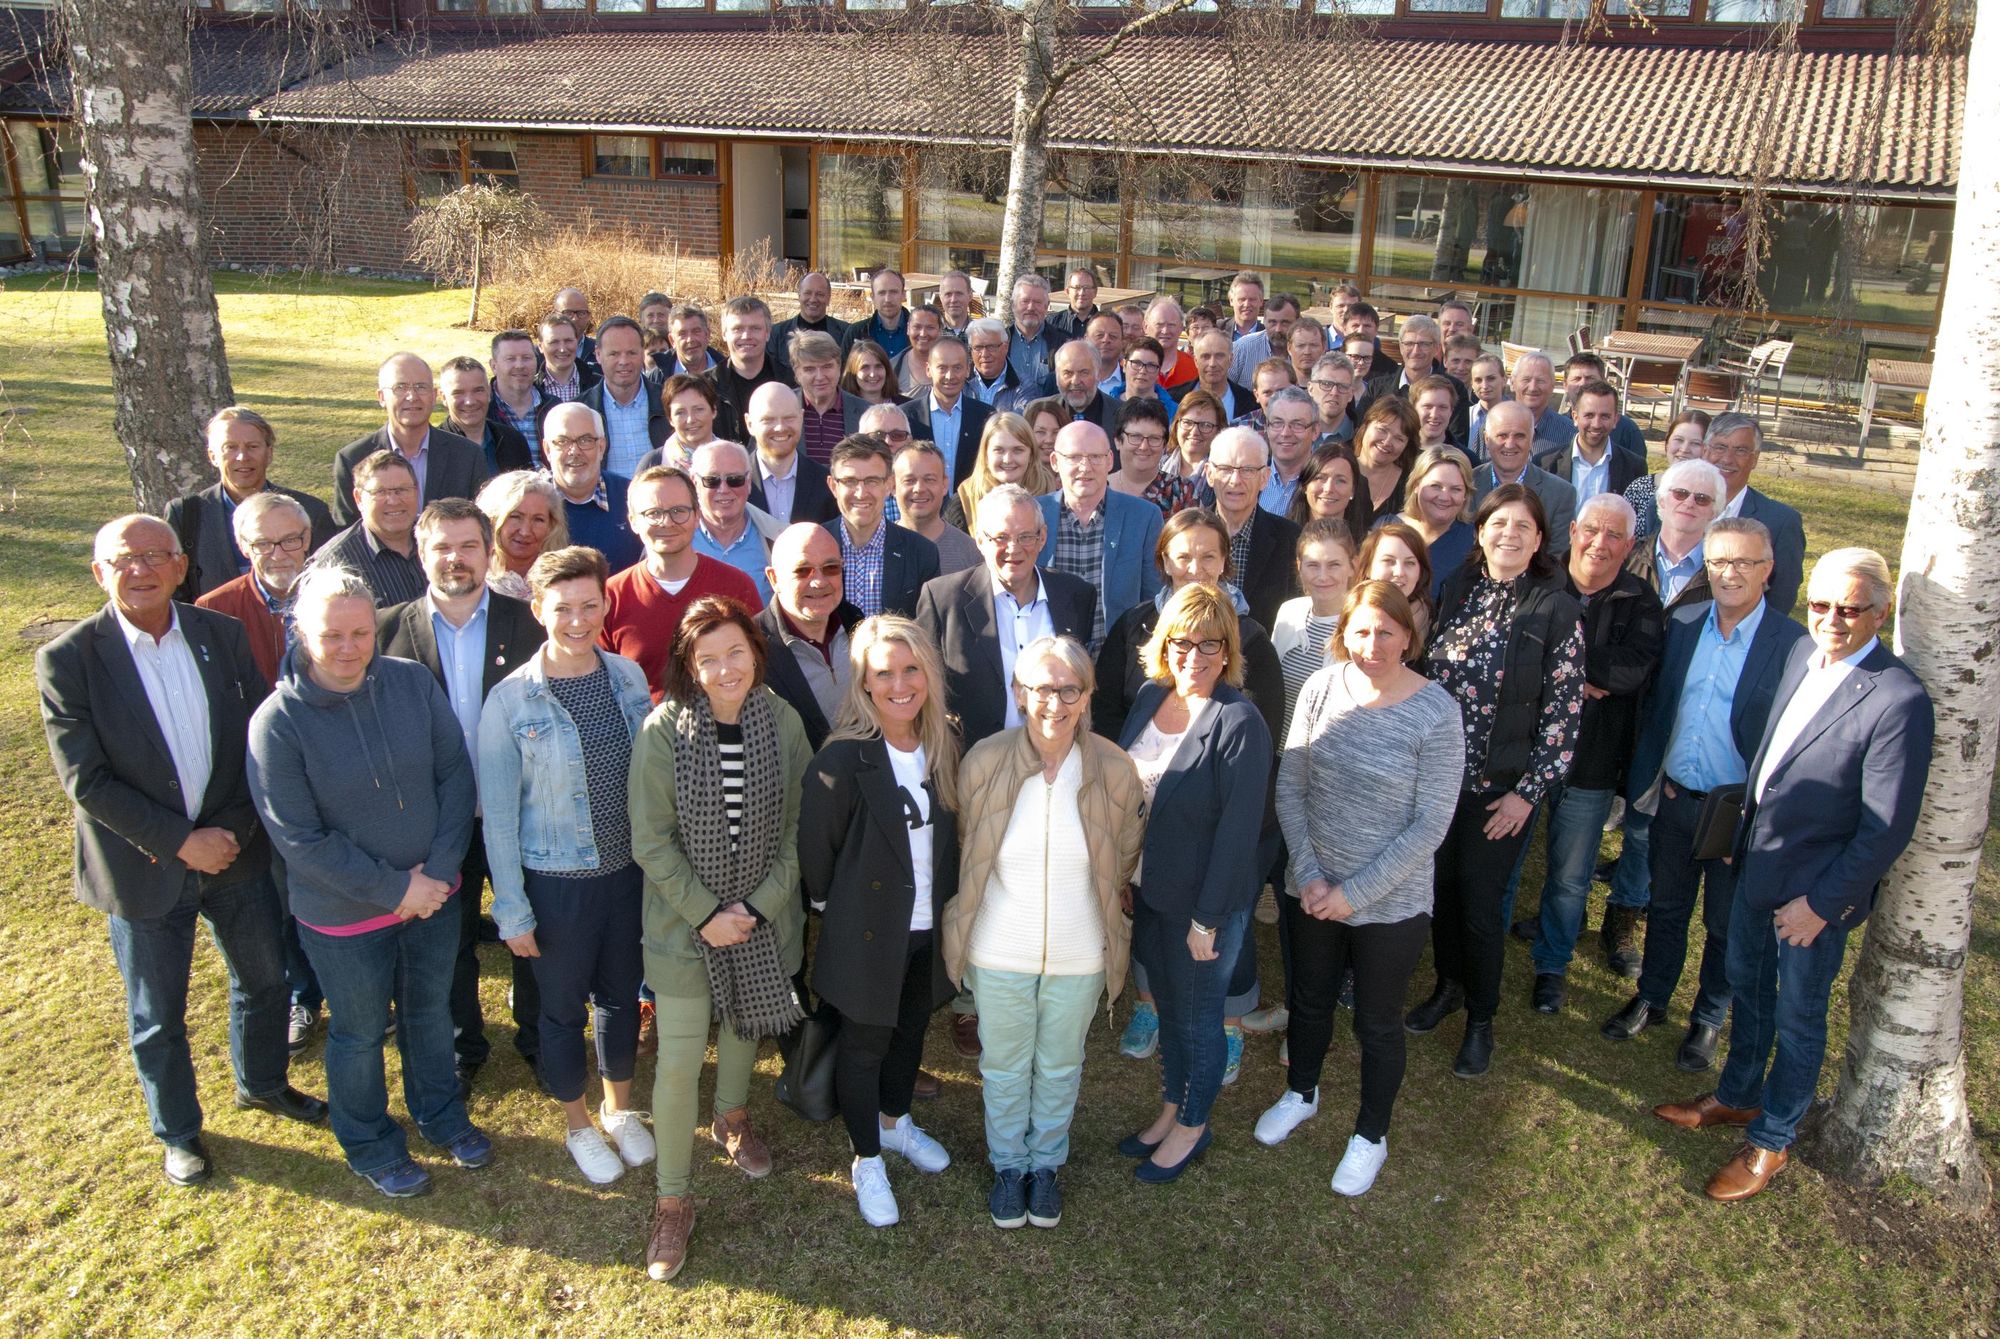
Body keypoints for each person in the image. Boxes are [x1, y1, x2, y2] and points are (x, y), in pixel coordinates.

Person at [37, 515, 324, 1187]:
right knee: (156, 1011)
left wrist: (226, 830)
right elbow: (87, 780)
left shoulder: (217, 636)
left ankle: (263, 1082)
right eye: (123, 559)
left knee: (264, 981)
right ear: (99, 571)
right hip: (143, 868)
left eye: (154, 556)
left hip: (234, 854)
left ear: (179, 565)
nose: (139, 569)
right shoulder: (70, 659)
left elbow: (255, 736)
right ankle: (179, 1131)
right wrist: (180, 841)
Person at [1654, 549, 1932, 1203]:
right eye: (1821, 604)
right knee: (1747, 990)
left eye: (1850, 608)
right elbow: (1770, 759)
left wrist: (1824, 904)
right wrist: (1739, 836)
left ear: (1880, 612)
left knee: (1799, 1018)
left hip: (1813, 897)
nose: (1831, 618)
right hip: (1755, 865)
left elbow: (1885, 826)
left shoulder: (1899, 699)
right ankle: (1737, 1095)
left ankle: (1773, 1139)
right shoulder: (1803, 655)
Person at [246, 564, 487, 1199]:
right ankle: (370, 1141)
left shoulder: (411, 683)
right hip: (344, 917)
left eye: (360, 632)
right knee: (356, 1032)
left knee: (429, 1013)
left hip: (435, 897)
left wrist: (436, 874)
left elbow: (454, 778)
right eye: (332, 636)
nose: (350, 648)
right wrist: (395, 890)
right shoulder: (278, 722)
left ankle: (440, 1114)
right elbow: (298, 837)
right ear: (301, 632)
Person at [1258, 580, 1464, 1196]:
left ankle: (1370, 1134)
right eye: (1361, 631)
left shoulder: (1436, 712)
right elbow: (1291, 783)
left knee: (1377, 1021)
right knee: (1311, 999)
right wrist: (1314, 876)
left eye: (1387, 632)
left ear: (1409, 636)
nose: (1372, 645)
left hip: (1391, 904)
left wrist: (1355, 895)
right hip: (1312, 888)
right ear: (1343, 632)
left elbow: (1431, 824)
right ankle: (1302, 1092)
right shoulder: (1321, 687)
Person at [629, 596, 812, 1277]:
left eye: (736, 651)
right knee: (678, 1062)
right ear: (687, 664)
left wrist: (758, 907)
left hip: (763, 922)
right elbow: (650, 838)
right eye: (708, 658)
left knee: (744, 1026)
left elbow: (801, 825)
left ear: (756, 652)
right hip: (685, 927)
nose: (726, 667)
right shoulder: (662, 731)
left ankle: (732, 1116)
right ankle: (673, 1199)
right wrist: (708, 912)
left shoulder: (784, 721)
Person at [946, 634, 1146, 1229]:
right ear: (1018, 692)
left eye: (1068, 689)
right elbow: (966, 848)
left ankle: (1045, 1165)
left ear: (1087, 696)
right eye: (1040, 688)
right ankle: (1010, 1166)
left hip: (1081, 950)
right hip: (998, 946)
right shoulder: (983, 760)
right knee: (1005, 1066)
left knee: (1060, 1065)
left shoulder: (1112, 766)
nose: (1053, 703)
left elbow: (1127, 853)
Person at [479, 545, 656, 1184]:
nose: (577, 620)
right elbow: (497, 817)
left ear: (605, 603)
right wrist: (512, 910)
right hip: (555, 885)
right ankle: (578, 1123)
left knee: (618, 997)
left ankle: (618, 1110)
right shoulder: (510, 702)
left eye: (589, 605)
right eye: (562, 608)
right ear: (537, 609)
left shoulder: (627, 678)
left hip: (626, 875)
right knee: (560, 1010)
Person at [1604, 518, 1804, 1068]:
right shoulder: (1685, 622)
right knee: (1665, 907)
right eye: (1719, 562)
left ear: (1768, 570)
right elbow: (1658, 705)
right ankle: (1652, 996)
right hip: (1676, 800)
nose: (1730, 573)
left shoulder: (1792, 646)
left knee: (1724, 923)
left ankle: (1708, 1018)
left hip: (1739, 815)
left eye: (1744, 562)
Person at [1406, 484, 1585, 1079]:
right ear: (1479, 532)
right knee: (1443, 897)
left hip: (1498, 791)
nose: (1509, 534)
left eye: (1523, 527)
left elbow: (1563, 715)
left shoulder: (1555, 607)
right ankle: (1449, 986)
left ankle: (1482, 1020)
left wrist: (1526, 793)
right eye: (1498, 523)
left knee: (1482, 907)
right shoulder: (1458, 589)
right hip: (1438, 784)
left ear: (1539, 541)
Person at [376, 498, 547, 1097]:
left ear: (488, 550)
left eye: (468, 545)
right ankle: (461, 1044)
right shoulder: (384, 630)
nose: (455, 558)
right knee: (445, 939)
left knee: (531, 931)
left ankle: (539, 1037)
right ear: (421, 555)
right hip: (430, 823)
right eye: (441, 547)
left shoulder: (529, 622)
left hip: (521, 811)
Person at [800, 616, 962, 1228]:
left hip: (927, 925)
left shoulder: (945, 741)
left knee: (911, 1030)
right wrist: (830, 908)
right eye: (883, 674)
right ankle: (866, 1155)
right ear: (865, 685)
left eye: (911, 669)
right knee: (865, 1043)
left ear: (928, 673)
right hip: (867, 928)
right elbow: (818, 850)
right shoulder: (843, 757)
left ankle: (896, 1123)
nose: (899, 684)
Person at [1116, 584, 1274, 1183]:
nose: (1196, 656)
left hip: (1205, 909)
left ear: (1229, 648)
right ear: (1163, 644)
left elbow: (1239, 837)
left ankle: (1192, 1125)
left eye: (1212, 643)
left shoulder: (1239, 723)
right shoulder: (1151, 699)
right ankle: (1170, 1109)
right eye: (1183, 641)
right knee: (1169, 1010)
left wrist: (1208, 921)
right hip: (1151, 893)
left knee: (1198, 1016)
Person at [1521, 495, 1663, 1014]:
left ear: (1630, 546)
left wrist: (1562, 666)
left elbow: (1631, 673)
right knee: (1508, 866)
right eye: (1592, 531)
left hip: (1593, 760)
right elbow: (1517, 653)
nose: (1600, 544)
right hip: (1525, 752)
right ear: (1574, 530)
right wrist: (1588, 676)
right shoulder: (1539, 581)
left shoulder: (1640, 600)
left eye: (1615, 537)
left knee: (1570, 873)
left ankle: (1551, 964)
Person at [917, 483, 1096, 749]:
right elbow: (924, 692)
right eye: (1000, 537)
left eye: (1025, 537)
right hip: (973, 764)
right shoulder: (943, 599)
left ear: (1042, 537)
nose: (1013, 548)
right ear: (980, 540)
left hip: (1057, 758)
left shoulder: (1076, 595)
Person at [601, 464, 764, 702]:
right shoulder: (610, 597)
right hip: (642, 736)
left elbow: (759, 668)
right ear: (633, 521)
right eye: (653, 513)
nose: (667, 522)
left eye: (678, 511)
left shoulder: (737, 586)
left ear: (697, 516)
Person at [166, 407, 337, 600]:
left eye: (252, 446)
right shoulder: (187, 515)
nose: (242, 457)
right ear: (213, 456)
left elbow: (328, 583)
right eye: (230, 447)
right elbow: (174, 589)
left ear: (269, 453)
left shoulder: (311, 512)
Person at [1036, 420, 1165, 650]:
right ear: (1055, 462)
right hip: (1048, 663)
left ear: (1110, 461)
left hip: (1118, 662)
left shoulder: (1144, 518)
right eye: (1074, 457)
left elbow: (1153, 601)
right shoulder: (1034, 515)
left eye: (1095, 457)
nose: (1085, 467)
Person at [332, 353, 489, 527]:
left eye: (421, 387)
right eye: (400, 387)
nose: (412, 396)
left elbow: (479, 528)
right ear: (381, 397)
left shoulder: (467, 455)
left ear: (434, 395)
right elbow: (347, 530)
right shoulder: (352, 459)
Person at [755, 522, 863, 751]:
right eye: (802, 570)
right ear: (774, 579)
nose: (819, 581)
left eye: (831, 568)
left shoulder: (857, 624)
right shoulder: (753, 649)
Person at [195, 492, 313, 687]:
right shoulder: (214, 608)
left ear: (306, 539)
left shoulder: (337, 599)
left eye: (290, 540)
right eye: (263, 544)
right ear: (243, 546)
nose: (278, 555)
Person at [1695, 412, 1807, 616]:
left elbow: (1782, 596)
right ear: (1704, 451)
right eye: (1720, 447)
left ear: (1754, 459)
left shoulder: (1781, 522)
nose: (1727, 459)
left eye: (1741, 450)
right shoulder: (1672, 506)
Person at [824, 434, 941, 618]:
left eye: (872, 481)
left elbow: (929, 631)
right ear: (833, 486)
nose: (861, 493)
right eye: (850, 481)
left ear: (889, 485)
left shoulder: (922, 553)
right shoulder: (814, 545)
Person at [1204, 425, 1303, 629]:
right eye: (1225, 469)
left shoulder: (1291, 540)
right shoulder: (1184, 536)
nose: (1235, 480)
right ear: (1209, 474)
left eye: (1247, 470)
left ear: (1265, 478)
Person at [1270, 519, 1358, 739]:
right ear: (1299, 567)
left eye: (1334, 564)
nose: (1322, 576)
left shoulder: (1363, 625)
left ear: (1352, 566)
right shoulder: (1288, 613)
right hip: (1277, 752)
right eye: (1312, 565)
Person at [314, 449, 428, 608]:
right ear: (358, 498)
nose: (393, 501)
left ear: (416, 492)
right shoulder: (335, 563)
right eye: (380, 492)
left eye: (401, 490)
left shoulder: (437, 539)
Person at [541, 401, 641, 572]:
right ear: (547, 450)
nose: (574, 451)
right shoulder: (530, 504)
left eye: (585, 440)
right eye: (562, 441)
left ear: (601, 447)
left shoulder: (632, 497)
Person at [1470, 401, 1576, 557]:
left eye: (1519, 436)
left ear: (1532, 439)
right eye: (1502, 435)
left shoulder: (1561, 494)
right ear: (1486, 439)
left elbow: (1556, 559)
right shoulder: (1466, 484)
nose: (1510, 444)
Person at [1626, 457, 1726, 613]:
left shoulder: (1723, 573)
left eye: (1702, 499)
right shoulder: (1626, 557)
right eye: (1680, 493)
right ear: (1662, 500)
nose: (1689, 503)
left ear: (1714, 512)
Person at [691, 440, 786, 603]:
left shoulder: (779, 539)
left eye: (734, 479)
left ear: (748, 482)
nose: (723, 489)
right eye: (712, 480)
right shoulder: (673, 538)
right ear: (694, 482)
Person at [577, 317, 670, 480]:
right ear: (598, 355)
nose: (624, 361)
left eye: (631, 353)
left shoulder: (669, 402)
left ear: (642, 353)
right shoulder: (581, 410)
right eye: (614, 354)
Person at [1535, 379, 1647, 507]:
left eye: (1605, 416)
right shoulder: (1544, 464)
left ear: (1615, 420)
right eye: (1589, 415)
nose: (1596, 424)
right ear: (1575, 417)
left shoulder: (1634, 467)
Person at [903, 334, 995, 487]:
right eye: (942, 368)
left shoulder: (985, 416)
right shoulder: (906, 416)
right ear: (928, 369)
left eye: (957, 368)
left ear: (967, 370)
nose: (950, 376)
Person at [744, 382, 838, 527]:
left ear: (801, 418)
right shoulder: (733, 483)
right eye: (768, 420)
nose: (780, 427)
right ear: (749, 424)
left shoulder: (827, 483)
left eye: (789, 418)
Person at [947, 411, 1057, 533]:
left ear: (1031, 455)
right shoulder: (964, 502)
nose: (1008, 459)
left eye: (1018, 450)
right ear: (985, 454)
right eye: (999, 450)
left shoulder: (1053, 500)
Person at [1391, 445, 1477, 597]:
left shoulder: (1475, 541)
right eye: (1435, 486)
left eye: (1456, 489)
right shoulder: (1386, 530)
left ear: (1465, 494)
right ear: (1416, 485)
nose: (1444, 497)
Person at [713, 296, 798, 444]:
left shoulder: (792, 382)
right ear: (724, 334)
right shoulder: (707, 388)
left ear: (768, 333)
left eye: (755, 328)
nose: (746, 336)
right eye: (737, 329)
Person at [475, 470, 569, 602]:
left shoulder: (566, 579)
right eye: (515, 517)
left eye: (538, 520)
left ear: (552, 525)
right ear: (492, 519)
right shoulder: (472, 577)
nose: (525, 531)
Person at [894, 439, 982, 575]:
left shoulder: (971, 553)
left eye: (929, 479)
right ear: (893, 487)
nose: (919, 488)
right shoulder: (876, 549)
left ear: (944, 485)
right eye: (909, 480)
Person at [439, 355, 535, 476]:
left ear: (489, 392)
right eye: (458, 393)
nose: (470, 401)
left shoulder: (513, 441)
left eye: (478, 390)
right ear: (443, 398)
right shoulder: (434, 449)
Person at [787, 333, 870, 472]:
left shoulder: (866, 412)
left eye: (827, 366)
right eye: (809, 369)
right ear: (797, 372)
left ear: (839, 367)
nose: (819, 377)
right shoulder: (780, 409)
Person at [1626, 410, 1711, 540]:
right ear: (1667, 442)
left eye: (1695, 443)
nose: (1684, 449)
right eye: (1679, 440)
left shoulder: (1711, 497)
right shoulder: (1639, 488)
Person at [1109, 397, 1200, 519]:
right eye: (1135, 437)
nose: (1144, 446)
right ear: (1118, 441)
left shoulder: (1183, 491)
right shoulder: (1099, 488)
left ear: (1164, 444)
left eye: (1154, 438)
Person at [1348, 396, 1422, 534]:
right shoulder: (1338, 471)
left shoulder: (1410, 486)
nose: (1387, 442)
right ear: (1366, 426)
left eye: (1399, 438)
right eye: (1382, 430)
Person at [1357, 521, 1436, 645]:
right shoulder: (1346, 617)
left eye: (1410, 563)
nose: (1399, 572)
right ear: (1368, 567)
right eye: (1388, 561)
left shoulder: (1435, 629)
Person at [636, 373, 723, 474]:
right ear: (670, 418)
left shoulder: (733, 458)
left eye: (699, 409)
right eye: (680, 412)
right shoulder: (653, 463)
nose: (691, 419)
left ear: (714, 410)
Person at [489, 329, 553, 454]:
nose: (519, 365)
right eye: (510, 359)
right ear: (494, 366)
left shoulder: (553, 407)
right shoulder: (484, 410)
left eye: (526, 358)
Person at [1259, 386, 1321, 517]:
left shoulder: (1327, 485)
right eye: (1277, 423)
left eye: (1297, 424)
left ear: (1315, 431)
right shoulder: (1250, 478)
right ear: (1267, 427)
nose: (1285, 433)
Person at [1045, 338, 1121, 440]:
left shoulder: (1122, 414)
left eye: (1084, 372)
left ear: (1098, 374)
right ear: (1057, 377)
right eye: (1068, 373)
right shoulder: (1037, 412)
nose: (1075, 381)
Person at [1005, 273, 1066, 394]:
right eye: (1025, 301)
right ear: (1013, 305)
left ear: (1046, 306)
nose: (1031, 307)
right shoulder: (1000, 341)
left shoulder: (1063, 343)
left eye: (1037, 302)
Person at [1229, 292, 1300, 386]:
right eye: (1272, 322)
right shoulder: (1242, 349)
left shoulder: (1307, 351)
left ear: (1298, 322)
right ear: (1264, 321)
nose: (1278, 329)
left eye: (1285, 323)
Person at [1287, 444, 1359, 539]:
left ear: (1353, 490)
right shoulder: (1282, 539)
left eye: (1340, 480)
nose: (1328, 489)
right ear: (1305, 485)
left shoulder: (1366, 548)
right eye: (1320, 478)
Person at [1508, 352, 1572, 451]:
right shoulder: (1491, 426)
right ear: (1512, 383)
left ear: (1552, 386)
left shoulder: (1569, 433)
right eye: (1526, 379)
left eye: (1541, 380)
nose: (1533, 388)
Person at [772, 270, 851, 351]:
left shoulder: (847, 334)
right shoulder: (777, 334)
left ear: (828, 298)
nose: (813, 299)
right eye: (807, 293)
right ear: (799, 296)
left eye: (820, 294)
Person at [1190, 329, 1256, 423]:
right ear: (1196, 361)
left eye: (1219, 356)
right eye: (1206, 356)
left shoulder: (1249, 402)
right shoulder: (1175, 398)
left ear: (1231, 359)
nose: (1212, 364)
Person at [845, 268, 911, 360]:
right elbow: (845, 372)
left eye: (893, 292)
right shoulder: (856, 333)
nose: (888, 299)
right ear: (872, 297)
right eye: (882, 293)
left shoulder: (920, 332)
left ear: (903, 295)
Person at [966, 317, 1030, 412]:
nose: (985, 354)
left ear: (1005, 347)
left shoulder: (1023, 386)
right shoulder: (960, 382)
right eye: (978, 347)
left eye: (991, 347)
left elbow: (1018, 424)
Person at [535, 313, 599, 404]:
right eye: (554, 342)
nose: (562, 349)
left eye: (568, 341)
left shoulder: (599, 386)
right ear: (540, 347)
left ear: (577, 342)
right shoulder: (531, 389)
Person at [1167, 388, 1225, 480]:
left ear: (1219, 431)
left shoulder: (1225, 476)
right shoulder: (1154, 466)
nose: (1194, 432)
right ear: (1176, 425)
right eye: (1187, 422)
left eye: (1205, 425)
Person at [1306, 353, 1359, 448]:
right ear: (1310, 389)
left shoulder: (1361, 438)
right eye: (1326, 384)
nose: (1334, 393)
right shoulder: (1294, 432)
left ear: (1351, 394)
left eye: (1342, 386)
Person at [890, 304, 944, 397]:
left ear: (940, 330)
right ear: (908, 328)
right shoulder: (892, 368)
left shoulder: (953, 365)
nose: (923, 334)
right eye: (917, 327)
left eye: (930, 328)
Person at [1047, 266, 1103, 343]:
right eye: (1077, 287)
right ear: (1067, 291)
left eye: (1086, 287)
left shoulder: (1107, 323)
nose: (1082, 293)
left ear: (1095, 292)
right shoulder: (1051, 323)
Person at [842, 339, 898, 407]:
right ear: (853, 372)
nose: (872, 374)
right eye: (865, 367)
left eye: (878, 366)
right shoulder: (842, 410)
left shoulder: (907, 407)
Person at [935, 269, 975, 340]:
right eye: (948, 294)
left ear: (970, 296)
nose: (953, 300)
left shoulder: (980, 333)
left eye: (959, 294)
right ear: (941, 297)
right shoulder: (931, 333)